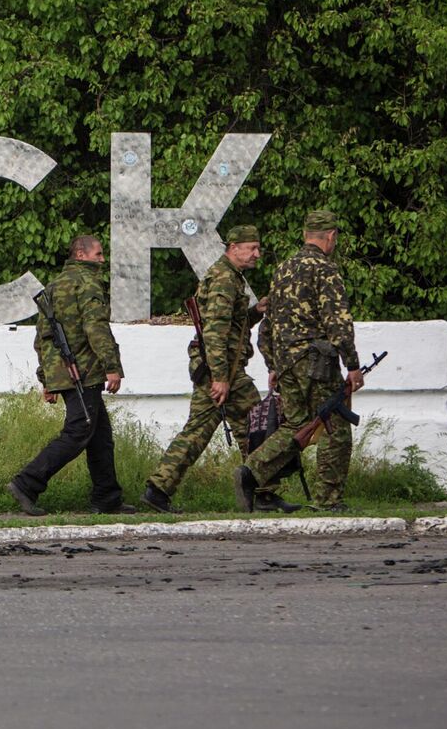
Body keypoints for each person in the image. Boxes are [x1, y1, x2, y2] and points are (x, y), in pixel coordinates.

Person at [238, 210, 363, 512]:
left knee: (294, 424)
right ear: (330, 236)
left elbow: (267, 323)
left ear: (306, 234)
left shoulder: (284, 269)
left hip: (286, 363)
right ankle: (327, 500)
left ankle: (252, 469)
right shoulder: (325, 269)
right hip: (317, 363)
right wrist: (353, 365)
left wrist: (273, 364)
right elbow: (338, 323)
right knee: (336, 427)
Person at [141, 225, 271, 513]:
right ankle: (263, 493)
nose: (256, 254)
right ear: (233, 247)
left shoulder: (230, 276)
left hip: (219, 368)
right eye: (251, 248)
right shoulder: (225, 278)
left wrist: (255, 313)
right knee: (258, 425)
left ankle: (159, 489)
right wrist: (221, 378)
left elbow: (231, 325)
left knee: (220, 429)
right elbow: (214, 332)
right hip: (223, 372)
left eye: (257, 248)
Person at [8, 234, 136, 516]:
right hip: (84, 372)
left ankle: (107, 497)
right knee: (79, 431)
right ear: (81, 254)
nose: (103, 260)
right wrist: (112, 366)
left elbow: (42, 337)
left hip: (64, 371)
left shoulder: (54, 286)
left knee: (100, 435)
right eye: (99, 254)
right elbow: (96, 328)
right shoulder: (87, 283)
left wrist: (47, 379)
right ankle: (27, 483)